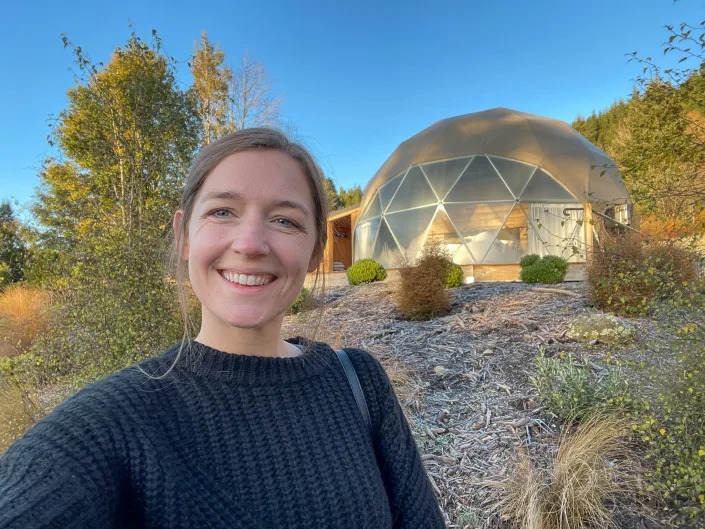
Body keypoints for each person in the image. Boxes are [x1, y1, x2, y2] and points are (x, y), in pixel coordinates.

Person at [0, 129, 446, 528]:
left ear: (314, 254)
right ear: (184, 236)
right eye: (222, 212)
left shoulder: (360, 385)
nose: (250, 243)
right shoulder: (109, 423)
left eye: (285, 220)